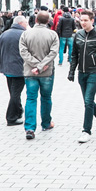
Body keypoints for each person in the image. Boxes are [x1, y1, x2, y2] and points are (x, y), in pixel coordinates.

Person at [67, 10, 96, 143]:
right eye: (81, 20)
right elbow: (74, 55)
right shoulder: (78, 35)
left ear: (92, 21)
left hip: (95, 71)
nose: (83, 22)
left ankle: (86, 131)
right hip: (82, 72)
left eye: (86, 20)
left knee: (88, 100)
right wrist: (71, 71)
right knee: (88, 101)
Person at [19, 11, 60, 140]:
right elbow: (54, 52)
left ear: (35, 20)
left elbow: (23, 52)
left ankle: (30, 127)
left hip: (30, 71)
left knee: (31, 98)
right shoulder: (53, 34)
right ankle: (46, 123)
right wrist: (41, 66)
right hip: (47, 72)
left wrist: (35, 65)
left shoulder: (26, 34)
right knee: (46, 97)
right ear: (48, 21)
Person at [0, 14, 28, 126]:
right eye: (26, 23)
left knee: (13, 93)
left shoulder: (4, 34)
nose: (27, 24)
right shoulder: (24, 34)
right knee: (15, 94)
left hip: (7, 69)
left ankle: (18, 112)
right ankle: (11, 118)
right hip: (20, 69)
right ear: (21, 23)